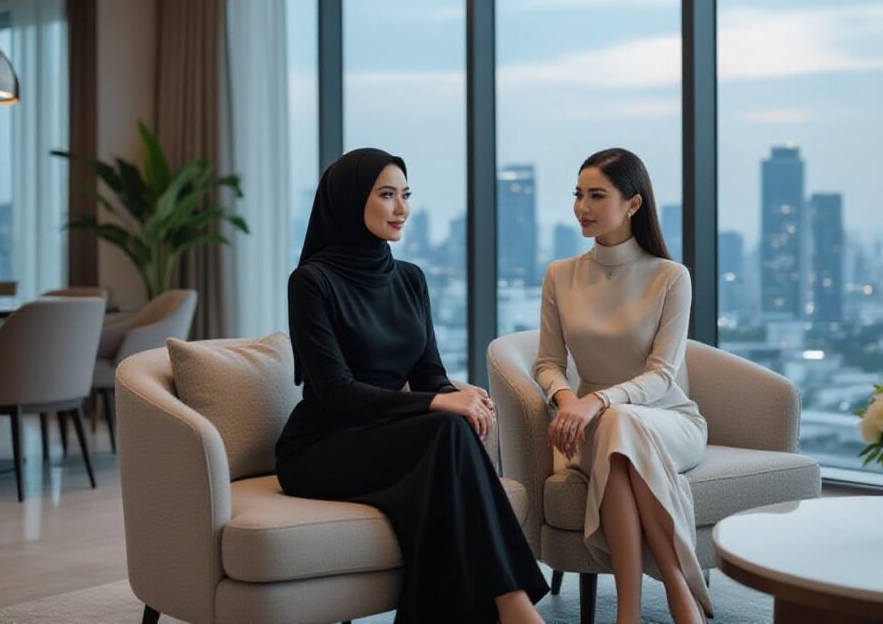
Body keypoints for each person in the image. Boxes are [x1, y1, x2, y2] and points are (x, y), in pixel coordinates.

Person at [276, 148, 548, 624]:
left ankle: (511, 608)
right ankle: (515, 608)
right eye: (386, 195)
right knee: (447, 430)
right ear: (348, 201)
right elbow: (336, 393)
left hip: (384, 436)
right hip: (321, 446)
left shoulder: (410, 279)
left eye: (405, 195)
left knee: (452, 430)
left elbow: (428, 373)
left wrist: (459, 396)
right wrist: (441, 403)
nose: (402, 208)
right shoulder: (312, 282)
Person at [533, 148, 711, 624]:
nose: (582, 208)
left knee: (620, 421)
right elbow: (547, 363)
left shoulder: (671, 277)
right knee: (616, 428)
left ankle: (630, 613)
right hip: (591, 426)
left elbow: (663, 375)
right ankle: (678, 594)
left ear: (633, 204)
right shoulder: (561, 275)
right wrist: (568, 399)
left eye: (597, 195)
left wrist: (597, 401)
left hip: (670, 421)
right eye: (578, 195)